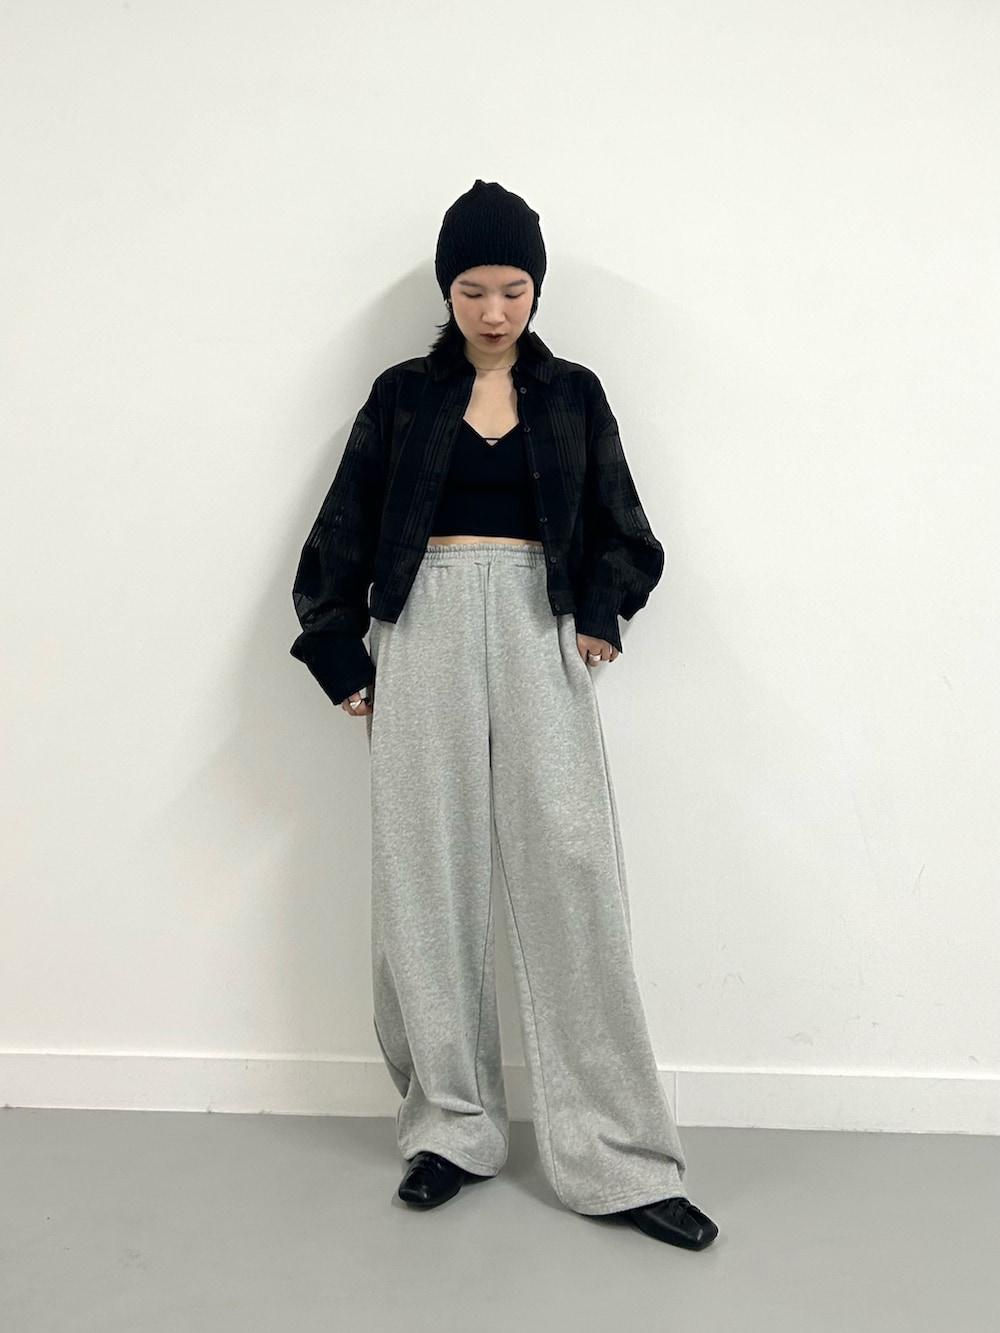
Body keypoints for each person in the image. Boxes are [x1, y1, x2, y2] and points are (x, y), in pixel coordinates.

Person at [290, 179, 719, 1251]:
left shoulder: (573, 394)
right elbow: (341, 528)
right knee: (424, 881)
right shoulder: (401, 396)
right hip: (421, 627)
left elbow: (626, 529)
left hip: (539, 623)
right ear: (447, 290)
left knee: (572, 872)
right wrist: (338, 650)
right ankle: (451, 1127)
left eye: (512, 288)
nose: (493, 309)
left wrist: (602, 611)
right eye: (473, 289)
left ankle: (618, 1155)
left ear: (536, 288)